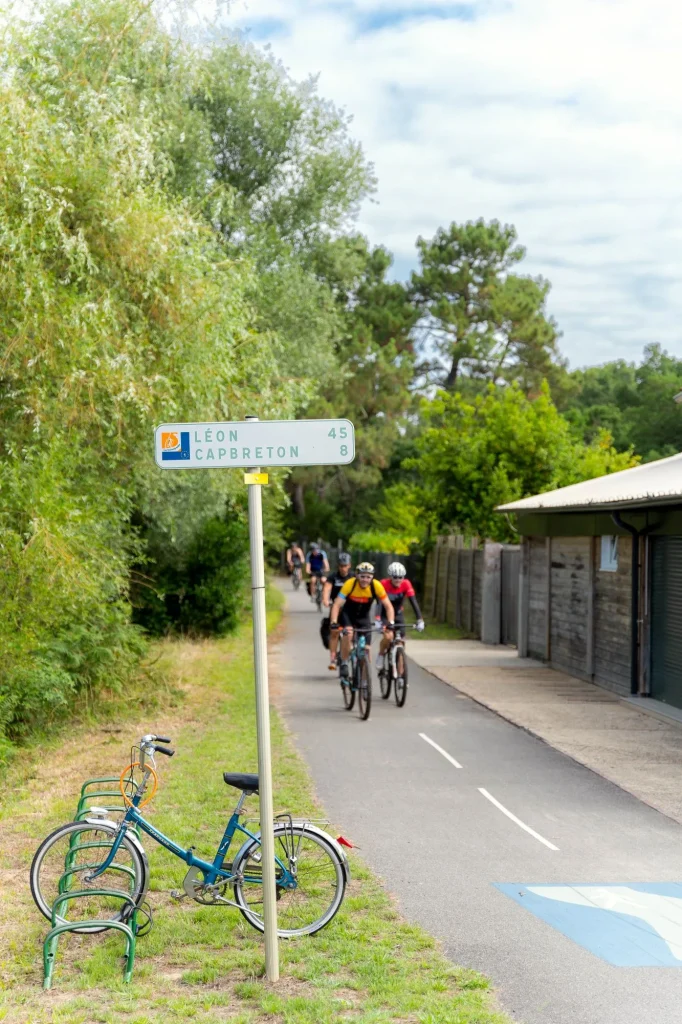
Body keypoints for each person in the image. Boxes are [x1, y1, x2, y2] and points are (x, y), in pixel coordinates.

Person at [329, 562, 395, 677]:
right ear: (357, 575)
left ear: (372, 577)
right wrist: (334, 621)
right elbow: (336, 605)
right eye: (362, 576)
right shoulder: (350, 584)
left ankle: (364, 682)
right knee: (348, 634)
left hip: (364, 618)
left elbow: (388, 606)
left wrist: (391, 623)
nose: (365, 579)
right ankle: (344, 662)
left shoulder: (376, 586)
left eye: (368, 577)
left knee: (366, 649)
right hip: (348, 615)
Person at [375, 562, 424, 670]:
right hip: (385, 614)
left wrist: (420, 619)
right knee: (388, 637)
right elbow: (379, 603)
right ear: (390, 577)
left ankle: (401, 676)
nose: (398, 580)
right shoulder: (383, 584)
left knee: (401, 643)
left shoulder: (406, 584)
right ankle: (381, 654)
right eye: (395, 577)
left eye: (400, 577)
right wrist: (378, 619)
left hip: (398, 614)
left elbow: (413, 602)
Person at [322, 553, 353, 669]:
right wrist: (325, 600)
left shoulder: (353, 577)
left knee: (351, 632)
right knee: (334, 632)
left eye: (345, 565)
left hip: (350, 608)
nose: (343, 568)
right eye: (341, 565)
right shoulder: (333, 576)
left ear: (349, 565)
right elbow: (327, 588)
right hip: (336, 607)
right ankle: (333, 658)